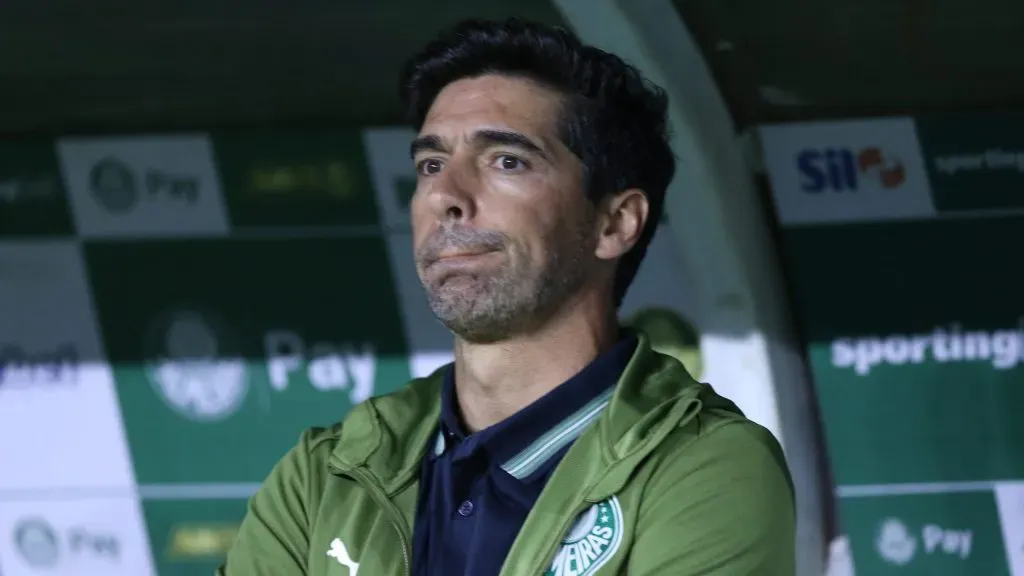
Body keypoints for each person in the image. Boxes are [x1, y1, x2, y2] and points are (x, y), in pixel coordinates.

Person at [218, 17, 795, 576]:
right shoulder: (326, 474)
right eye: (431, 163)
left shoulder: (704, 466)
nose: (447, 195)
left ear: (615, 223)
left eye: (506, 161)